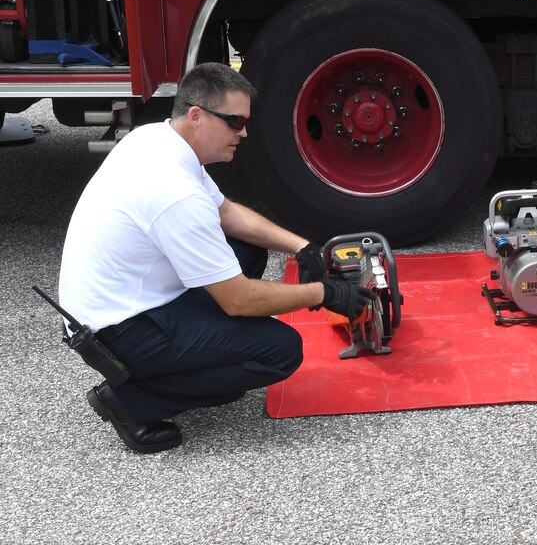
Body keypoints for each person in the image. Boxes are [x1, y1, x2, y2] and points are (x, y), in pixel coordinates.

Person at [57, 62, 365, 454]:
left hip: (120, 304)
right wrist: (324, 294)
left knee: (248, 248)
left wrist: (301, 247)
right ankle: (130, 401)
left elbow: (225, 212)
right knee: (280, 350)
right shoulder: (174, 192)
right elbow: (238, 300)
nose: (245, 132)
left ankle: (205, 360)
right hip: (119, 333)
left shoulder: (156, 140)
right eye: (235, 122)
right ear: (197, 116)